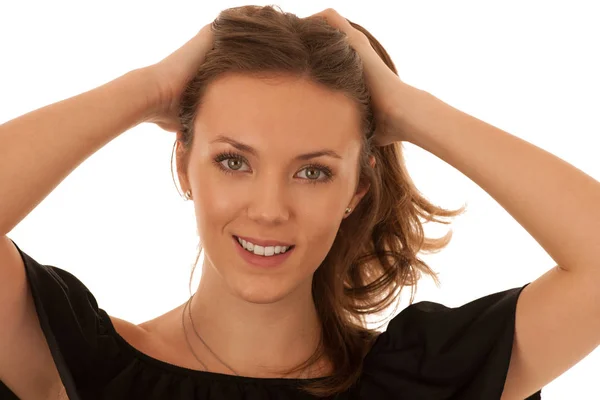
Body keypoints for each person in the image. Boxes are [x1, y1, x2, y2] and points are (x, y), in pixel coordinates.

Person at [0, 5, 598, 400]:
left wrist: (405, 108)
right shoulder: (81, 369)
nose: (269, 209)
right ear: (183, 163)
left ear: (357, 189)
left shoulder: (421, 382)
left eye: (313, 171)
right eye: (234, 161)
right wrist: (151, 87)